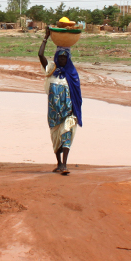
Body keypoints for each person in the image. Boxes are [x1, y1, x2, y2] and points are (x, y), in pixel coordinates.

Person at [38, 28, 83, 175]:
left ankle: (64, 164)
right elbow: (40, 55)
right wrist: (45, 38)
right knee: (55, 138)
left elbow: (77, 94)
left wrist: (75, 111)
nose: (63, 60)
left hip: (68, 111)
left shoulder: (72, 74)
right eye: (60, 57)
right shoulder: (51, 69)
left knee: (67, 135)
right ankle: (58, 163)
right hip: (53, 112)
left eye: (65, 58)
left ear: (68, 59)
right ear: (57, 57)